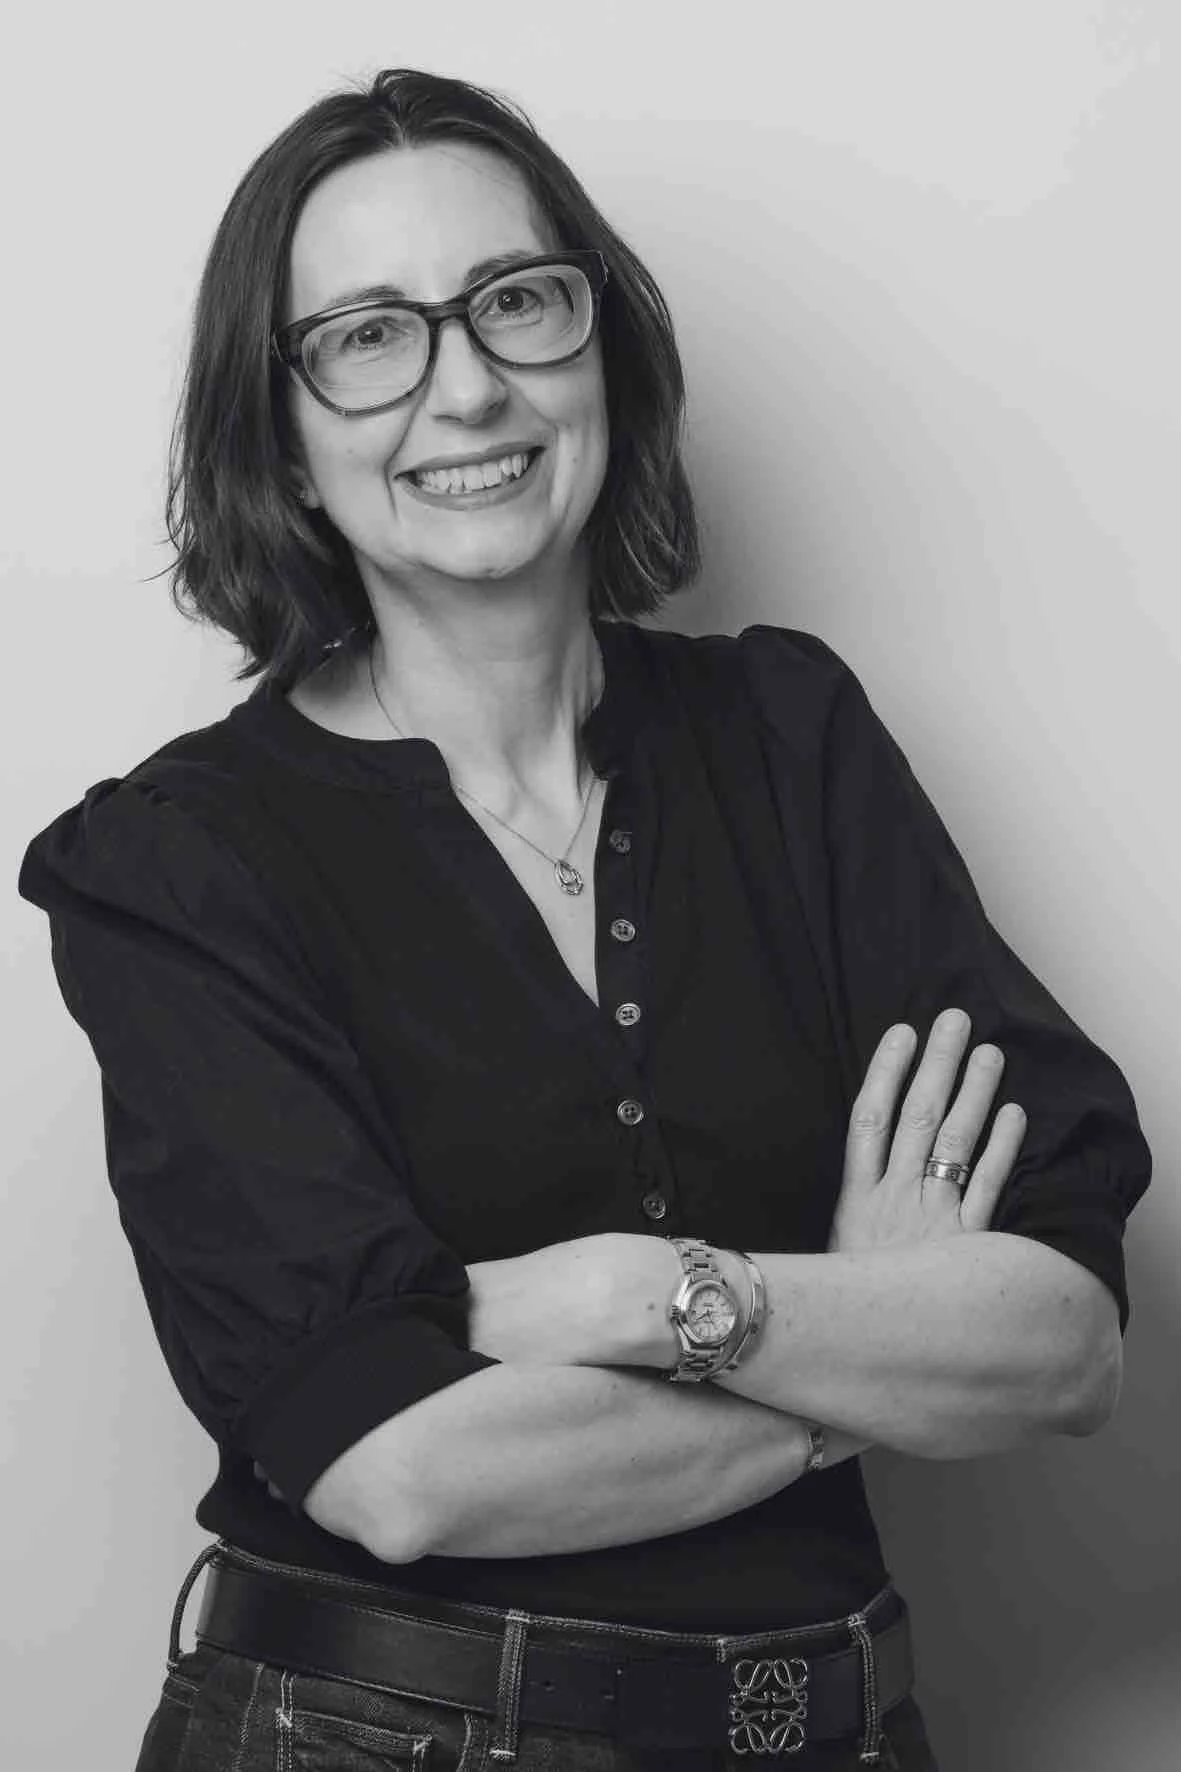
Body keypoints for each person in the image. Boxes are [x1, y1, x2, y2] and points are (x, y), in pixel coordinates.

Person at [18, 67, 1150, 1772]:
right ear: (287, 441)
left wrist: (652, 1298)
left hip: (835, 1735)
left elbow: (1063, 1338)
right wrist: (858, 1329)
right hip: (373, 1738)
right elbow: (401, 1473)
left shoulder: (792, 741)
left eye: (517, 304)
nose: (465, 387)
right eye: (369, 338)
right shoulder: (182, 865)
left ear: (601, 349)